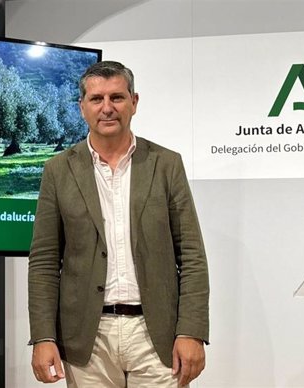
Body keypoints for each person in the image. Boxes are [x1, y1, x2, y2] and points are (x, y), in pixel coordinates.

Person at [28, 60, 209, 387]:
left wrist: (191, 331)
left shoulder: (166, 164)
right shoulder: (58, 170)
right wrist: (43, 337)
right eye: (97, 99)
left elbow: (192, 256)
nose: (107, 108)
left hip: (156, 336)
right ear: (82, 107)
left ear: (134, 102)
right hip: (86, 338)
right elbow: (43, 261)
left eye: (117, 97)